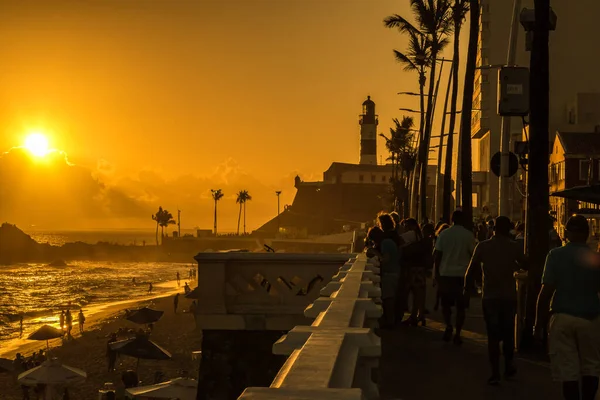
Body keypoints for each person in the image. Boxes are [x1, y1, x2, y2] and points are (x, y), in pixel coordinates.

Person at [535, 215, 600, 400]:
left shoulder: (555, 255)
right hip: (591, 318)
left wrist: (538, 324)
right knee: (591, 367)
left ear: (567, 233)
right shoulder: (595, 258)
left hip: (562, 318)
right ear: (587, 234)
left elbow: (545, 292)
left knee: (568, 371)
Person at [465, 216, 526, 385]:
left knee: (492, 336)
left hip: (490, 297)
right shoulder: (513, 247)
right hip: (508, 296)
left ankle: (494, 372)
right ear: (509, 230)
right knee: (507, 334)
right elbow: (526, 263)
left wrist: (466, 290)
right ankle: (508, 365)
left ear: (493, 229)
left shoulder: (483, 246)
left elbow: (471, 270)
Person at [434, 210, 476, 344]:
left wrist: (436, 274)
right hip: (462, 275)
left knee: (445, 305)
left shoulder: (444, 234)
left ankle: (448, 325)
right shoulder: (468, 236)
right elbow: (473, 256)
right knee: (461, 306)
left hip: (446, 273)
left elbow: (437, 256)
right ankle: (458, 332)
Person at [374, 213, 401, 329]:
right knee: (392, 298)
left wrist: (376, 254)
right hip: (396, 270)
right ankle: (392, 320)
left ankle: (390, 321)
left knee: (388, 298)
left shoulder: (386, 241)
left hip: (389, 273)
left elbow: (386, 258)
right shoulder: (394, 237)